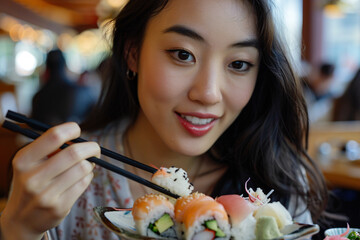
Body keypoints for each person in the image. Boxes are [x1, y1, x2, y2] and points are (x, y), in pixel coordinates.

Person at [0, 0, 329, 239]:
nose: (209, 93)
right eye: (183, 54)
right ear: (132, 52)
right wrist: (18, 229)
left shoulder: (279, 182)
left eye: (239, 64)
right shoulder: (64, 179)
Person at [31, 49, 96, 126]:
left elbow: (33, 125)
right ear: (65, 67)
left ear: (46, 70)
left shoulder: (37, 97)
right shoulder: (80, 92)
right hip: (76, 136)